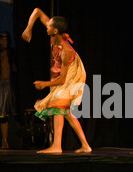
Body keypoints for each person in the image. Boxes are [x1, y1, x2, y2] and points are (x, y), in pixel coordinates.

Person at [22, 8, 91, 154]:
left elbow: (62, 80)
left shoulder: (66, 51)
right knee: (65, 111)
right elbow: (37, 12)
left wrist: (44, 84)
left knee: (59, 104)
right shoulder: (54, 34)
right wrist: (29, 28)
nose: (46, 27)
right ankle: (83, 146)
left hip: (74, 75)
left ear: (54, 31)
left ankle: (57, 146)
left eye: (49, 26)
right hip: (63, 73)